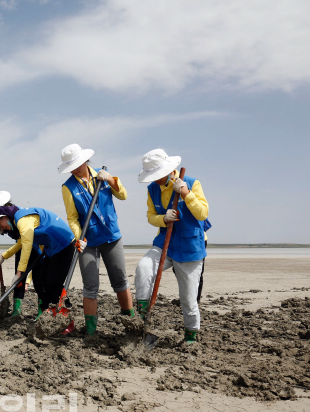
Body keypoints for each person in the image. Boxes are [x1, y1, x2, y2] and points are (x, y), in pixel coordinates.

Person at [134, 149, 210, 345]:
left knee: (188, 298)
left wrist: (185, 193)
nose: (155, 180)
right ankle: (143, 317)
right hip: (164, 242)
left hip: (189, 245)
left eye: (157, 176)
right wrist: (163, 219)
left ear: (169, 170)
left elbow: (202, 213)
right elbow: (150, 215)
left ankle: (191, 336)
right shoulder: (152, 189)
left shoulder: (192, 183)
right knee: (143, 268)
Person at [58, 143, 135, 337]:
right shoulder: (68, 187)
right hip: (88, 240)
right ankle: (91, 331)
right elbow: (72, 217)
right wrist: (79, 237)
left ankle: (131, 322)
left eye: (77, 164)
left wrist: (109, 179)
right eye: (71, 166)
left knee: (120, 280)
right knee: (90, 285)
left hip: (111, 235)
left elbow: (123, 195)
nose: (75, 169)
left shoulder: (103, 176)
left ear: (85, 160)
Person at [0, 204, 76, 325]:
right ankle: (46, 317)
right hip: (51, 249)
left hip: (64, 244)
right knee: (41, 283)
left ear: (4, 217)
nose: (2, 229)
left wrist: (19, 273)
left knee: (53, 283)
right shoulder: (18, 224)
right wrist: (4, 256)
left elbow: (26, 245)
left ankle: (66, 318)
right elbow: (20, 243)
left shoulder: (21, 220)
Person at [0, 190, 33, 317]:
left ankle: (43, 310)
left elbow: (25, 241)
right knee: (18, 279)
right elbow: (20, 242)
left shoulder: (19, 216)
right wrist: (3, 256)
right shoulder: (5, 223)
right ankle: (17, 310)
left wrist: (5, 256)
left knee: (38, 278)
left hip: (34, 244)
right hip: (21, 245)